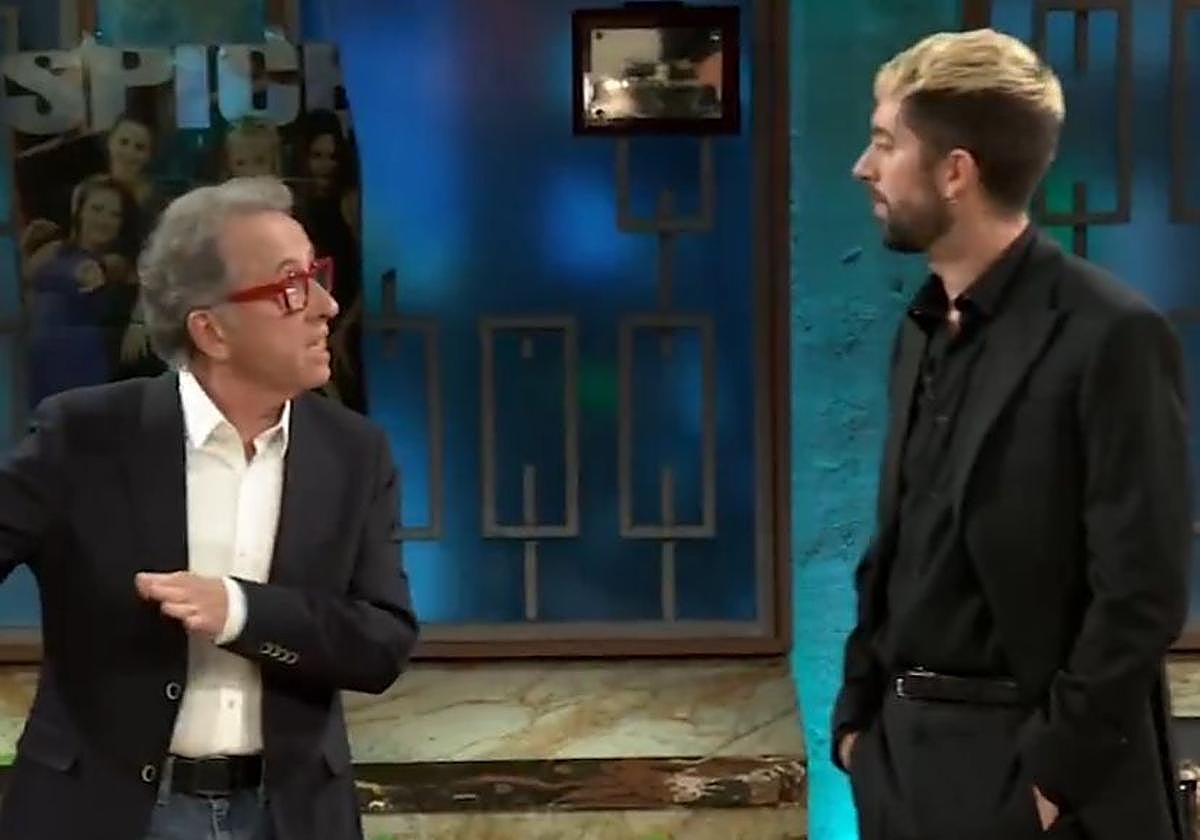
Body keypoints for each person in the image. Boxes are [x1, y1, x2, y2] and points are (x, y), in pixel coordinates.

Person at [834, 28, 1190, 840]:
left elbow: (1142, 590)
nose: (863, 167)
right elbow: (897, 547)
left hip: (1028, 770)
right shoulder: (921, 330)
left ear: (955, 172)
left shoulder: (1110, 335)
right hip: (898, 760)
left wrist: (1050, 780)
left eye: (885, 143)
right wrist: (856, 728)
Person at [0, 176, 419, 840]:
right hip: (104, 813)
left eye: (316, 275)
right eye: (291, 286)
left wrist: (240, 612)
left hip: (288, 817)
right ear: (212, 331)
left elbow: (381, 642)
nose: (326, 306)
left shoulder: (355, 453)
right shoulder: (83, 436)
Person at [24, 174, 141, 407]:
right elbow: (20, 282)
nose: (104, 220)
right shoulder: (54, 249)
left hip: (79, 362)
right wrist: (23, 245)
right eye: (97, 209)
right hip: (31, 356)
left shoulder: (118, 262)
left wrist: (96, 270)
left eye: (115, 214)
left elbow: (104, 271)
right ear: (80, 212)